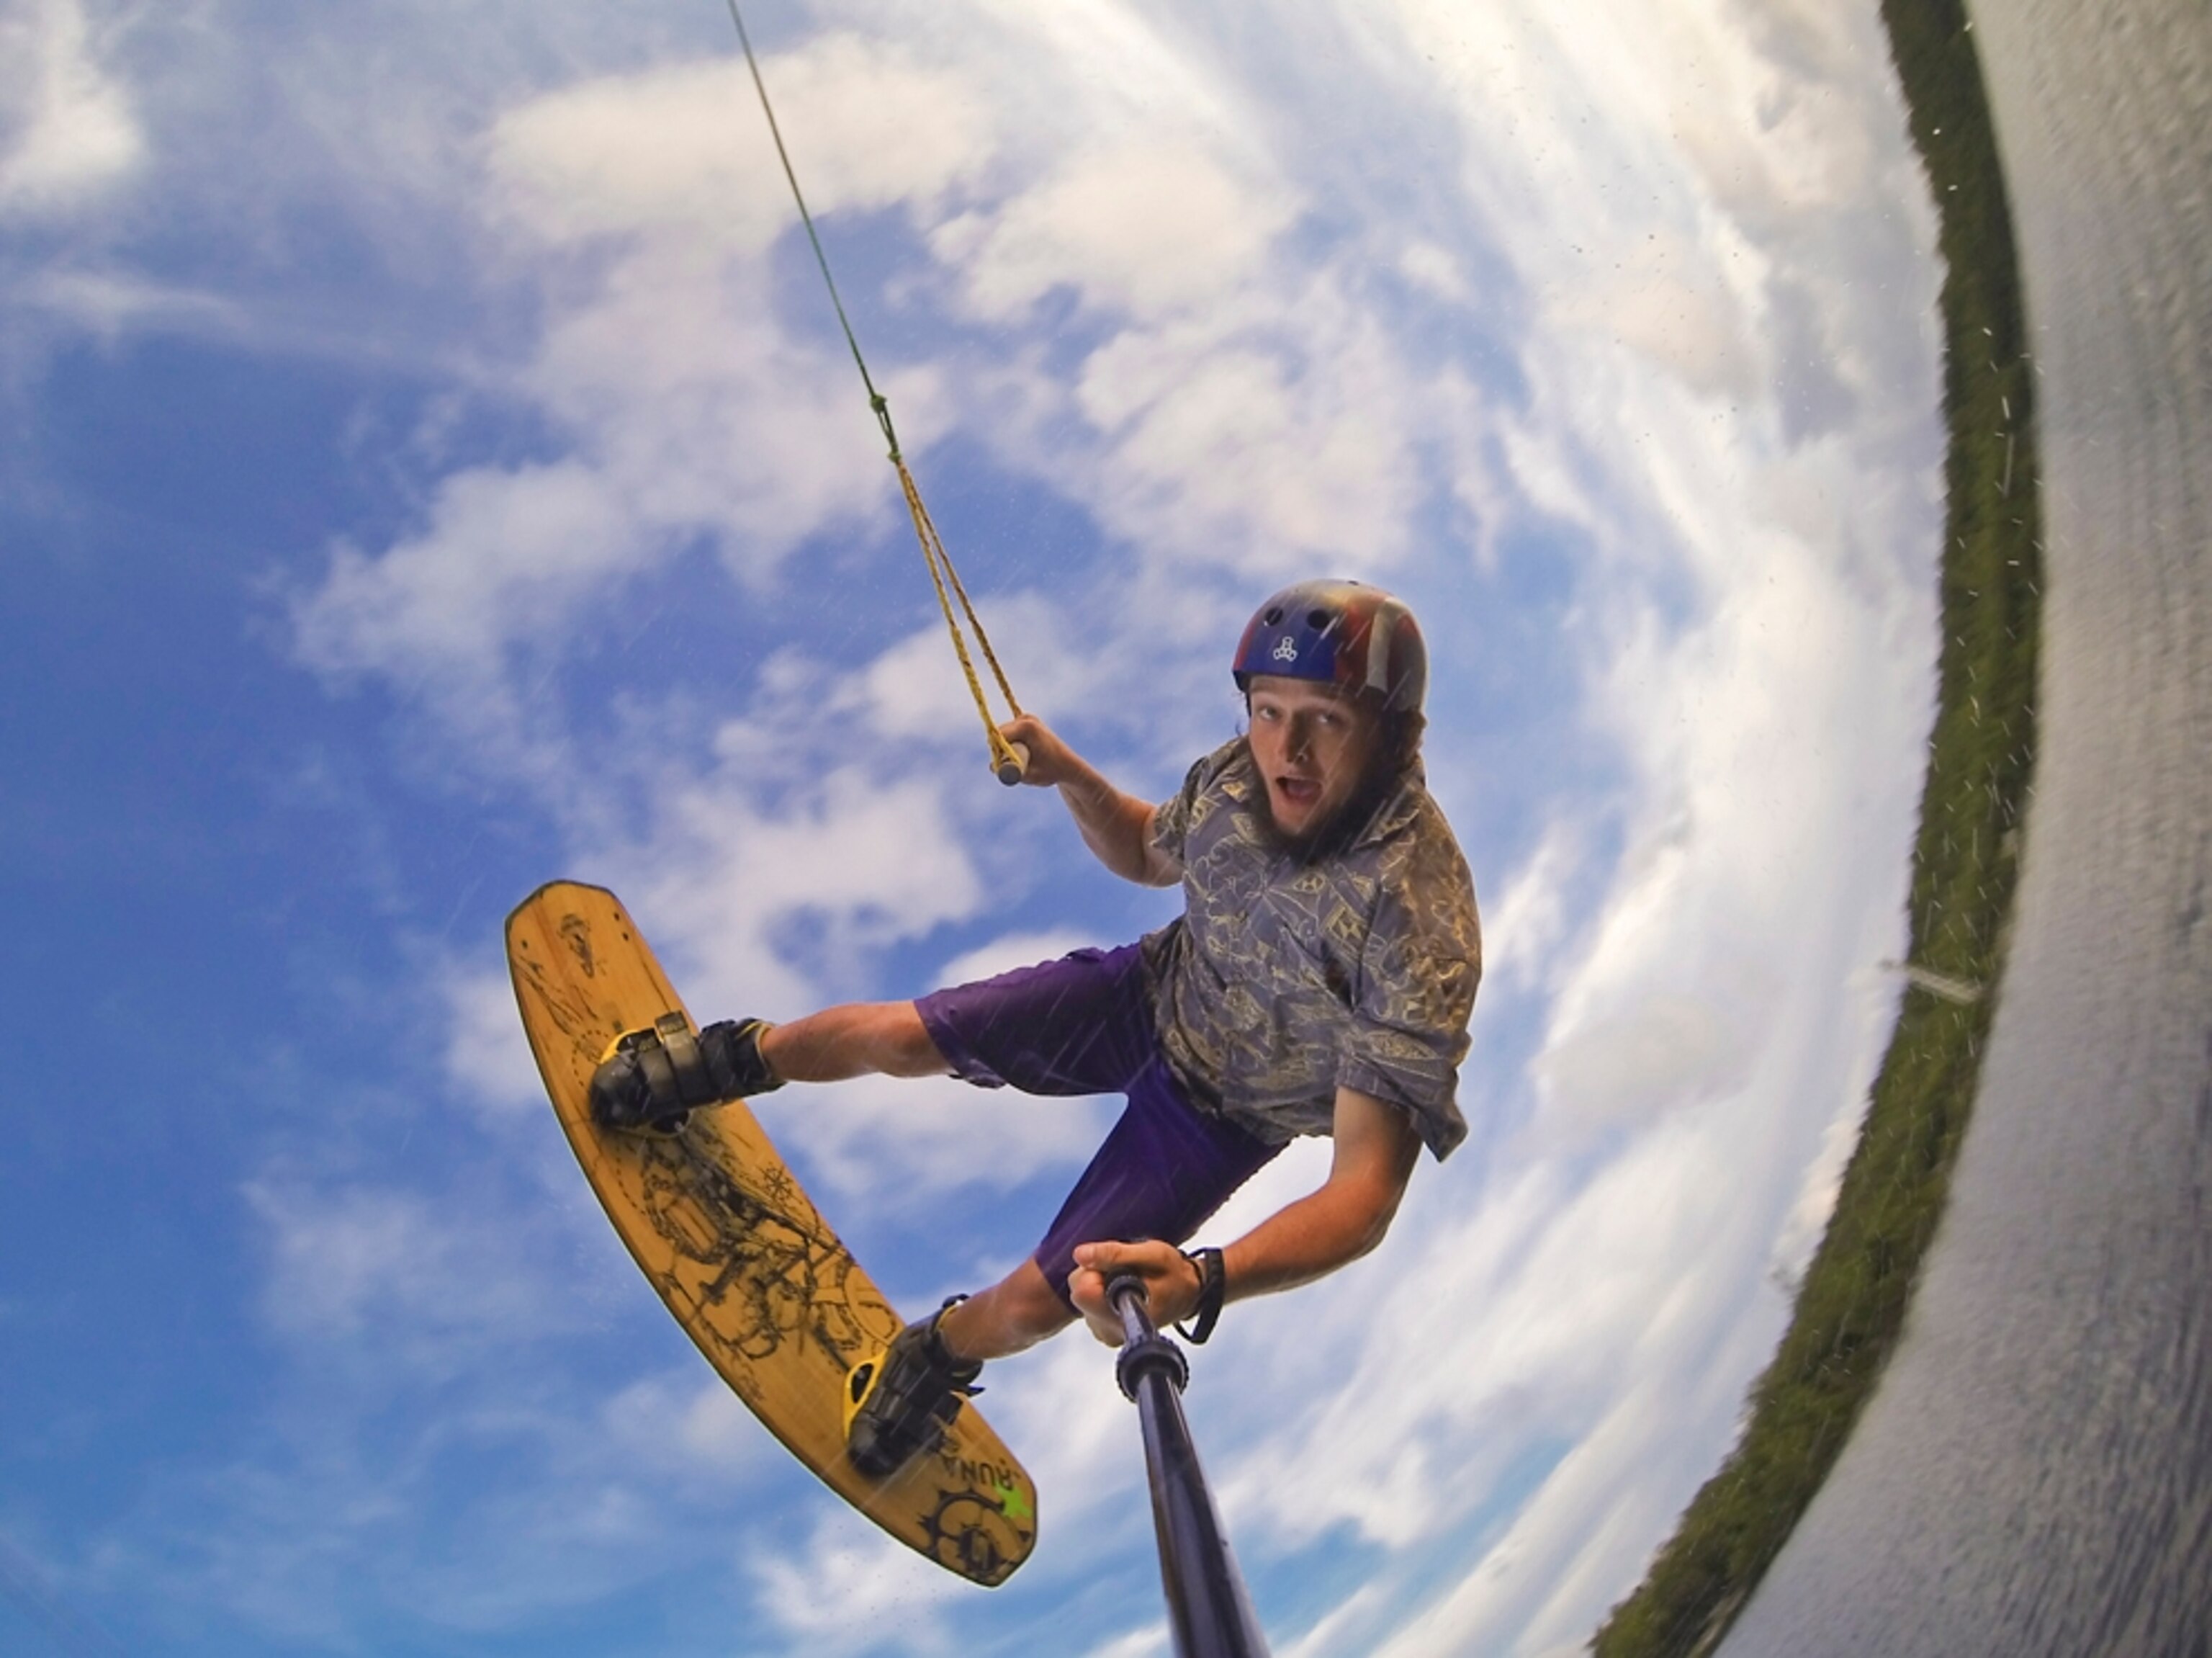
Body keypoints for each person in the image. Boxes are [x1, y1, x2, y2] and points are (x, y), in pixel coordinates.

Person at [590, 579, 1481, 1476]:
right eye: (1266, 709)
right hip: (1145, 995)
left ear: (1394, 735)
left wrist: (1208, 1278)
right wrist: (1070, 776)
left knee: (1035, 1303)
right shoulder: (1238, 775)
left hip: (1224, 1119)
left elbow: (1364, 1188)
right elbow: (1143, 849)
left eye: (1323, 720)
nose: (1286, 750)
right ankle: (728, 1057)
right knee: (902, 1036)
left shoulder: (1418, 920)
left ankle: (934, 1355)